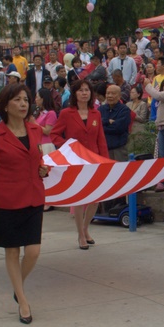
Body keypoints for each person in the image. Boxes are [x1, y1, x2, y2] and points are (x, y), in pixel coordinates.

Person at [0, 82, 49, 325]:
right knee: (12, 251)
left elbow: (39, 160)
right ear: (5, 105)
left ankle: (18, 289)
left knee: (33, 252)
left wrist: (43, 169)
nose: (23, 104)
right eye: (17, 100)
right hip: (5, 201)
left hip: (33, 197)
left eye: (26, 100)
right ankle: (23, 301)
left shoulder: (36, 130)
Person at [51, 79, 109, 250]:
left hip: (94, 159)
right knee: (78, 197)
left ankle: (85, 228)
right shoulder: (66, 113)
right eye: (80, 90)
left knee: (96, 197)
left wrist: (105, 160)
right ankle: (80, 235)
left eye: (87, 90)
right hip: (75, 161)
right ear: (74, 93)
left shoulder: (96, 113)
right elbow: (55, 134)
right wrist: (68, 147)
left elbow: (101, 138)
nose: (84, 93)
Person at [99, 84, 131, 160]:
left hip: (118, 149)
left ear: (119, 96)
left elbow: (118, 128)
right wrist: (108, 121)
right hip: (103, 149)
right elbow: (96, 126)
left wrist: (103, 125)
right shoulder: (100, 109)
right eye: (108, 93)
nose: (110, 96)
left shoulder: (124, 110)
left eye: (113, 93)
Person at [34, 88, 59, 154]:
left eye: (37, 97)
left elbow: (47, 131)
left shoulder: (51, 113)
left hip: (46, 145)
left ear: (42, 99)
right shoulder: (39, 113)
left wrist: (34, 123)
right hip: (38, 144)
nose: (35, 100)